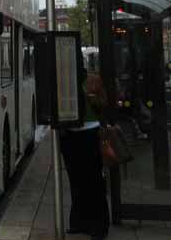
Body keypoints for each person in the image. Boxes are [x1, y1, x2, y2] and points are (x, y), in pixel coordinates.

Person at [59, 70, 110, 240]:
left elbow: (103, 104)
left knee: (93, 181)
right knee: (76, 180)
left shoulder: (92, 79)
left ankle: (99, 226)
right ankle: (79, 222)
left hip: (89, 132)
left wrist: (92, 98)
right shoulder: (63, 79)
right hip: (69, 135)